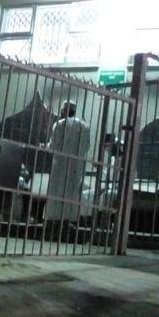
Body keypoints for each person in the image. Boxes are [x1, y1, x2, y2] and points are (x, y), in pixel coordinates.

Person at [43, 101, 91, 240]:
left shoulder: (59, 125)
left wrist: (46, 146)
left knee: (57, 192)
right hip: (76, 166)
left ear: (65, 110)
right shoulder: (84, 127)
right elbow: (86, 147)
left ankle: (54, 221)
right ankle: (68, 220)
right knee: (72, 193)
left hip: (60, 164)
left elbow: (53, 146)